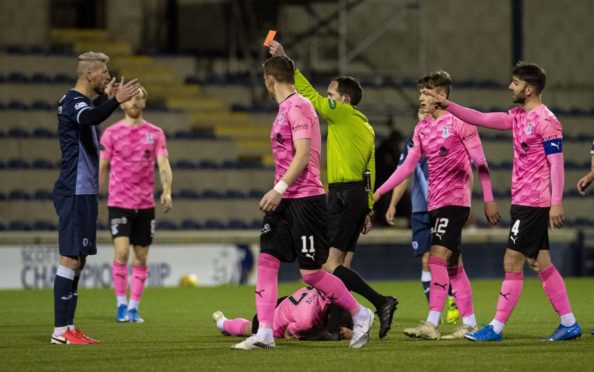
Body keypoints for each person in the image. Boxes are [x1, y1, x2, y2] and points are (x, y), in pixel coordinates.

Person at [425, 61, 582, 341]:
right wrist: (449, 105)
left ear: (529, 88)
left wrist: (556, 201)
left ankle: (495, 328)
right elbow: (482, 118)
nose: (510, 86)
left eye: (515, 82)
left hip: (535, 202)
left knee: (512, 261)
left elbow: (556, 165)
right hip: (522, 201)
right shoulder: (518, 116)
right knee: (541, 263)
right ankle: (569, 323)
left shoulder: (547, 121)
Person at [231, 56, 373, 350]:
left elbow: (304, 154)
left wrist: (278, 189)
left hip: (305, 199)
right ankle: (265, 333)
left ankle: (362, 314)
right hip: (284, 201)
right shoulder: (284, 109)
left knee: (312, 273)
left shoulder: (300, 107)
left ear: (270, 80)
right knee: (267, 261)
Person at [268, 40, 397, 339]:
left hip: (341, 193)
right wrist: (368, 206)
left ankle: (380, 302)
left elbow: (309, 97)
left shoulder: (342, 114)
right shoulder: (366, 126)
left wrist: (288, 63)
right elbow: (370, 170)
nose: (328, 99)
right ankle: (338, 327)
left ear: (345, 100)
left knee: (327, 265)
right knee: (343, 263)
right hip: (355, 195)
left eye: (332, 95)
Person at [374, 70, 500, 340]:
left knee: (436, 258)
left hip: (455, 202)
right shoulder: (422, 128)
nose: (421, 98)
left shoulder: (461, 123)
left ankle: (431, 323)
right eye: (420, 92)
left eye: (427, 93)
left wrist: (488, 200)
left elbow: (481, 164)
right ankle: (469, 323)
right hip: (434, 204)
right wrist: (379, 192)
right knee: (454, 264)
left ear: (442, 95)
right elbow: (407, 166)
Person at [51, 51, 141, 344]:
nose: (107, 75)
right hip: (73, 190)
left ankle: (70, 326)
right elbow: (89, 116)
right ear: (89, 74)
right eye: (103, 72)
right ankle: (60, 331)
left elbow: (93, 111)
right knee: (70, 258)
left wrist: (107, 99)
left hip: (85, 192)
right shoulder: (73, 102)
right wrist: (115, 100)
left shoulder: (84, 102)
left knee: (79, 259)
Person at [99, 87, 173, 323]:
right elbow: (102, 166)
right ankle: (121, 304)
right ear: (122, 104)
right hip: (119, 202)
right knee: (121, 252)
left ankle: (133, 307)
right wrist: (93, 193)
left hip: (144, 205)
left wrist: (167, 191)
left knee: (140, 258)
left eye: (139, 97)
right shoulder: (111, 133)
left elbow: (163, 164)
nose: (134, 101)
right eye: (130, 97)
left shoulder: (155, 133)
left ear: (144, 103)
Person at [385, 113, 460, 325]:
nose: (423, 114)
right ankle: (434, 313)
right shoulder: (412, 142)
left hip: (443, 206)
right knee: (427, 261)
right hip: (420, 210)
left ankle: (454, 300)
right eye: (420, 110)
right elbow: (403, 173)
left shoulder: (448, 138)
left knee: (447, 258)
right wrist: (392, 203)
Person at [213, 286, 353, 341]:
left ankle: (224, 323)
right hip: (271, 322)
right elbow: (288, 334)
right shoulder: (307, 320)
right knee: (248, 328)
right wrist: (340, 334)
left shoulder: (326, 291)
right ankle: (222, 322)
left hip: (284, 303)